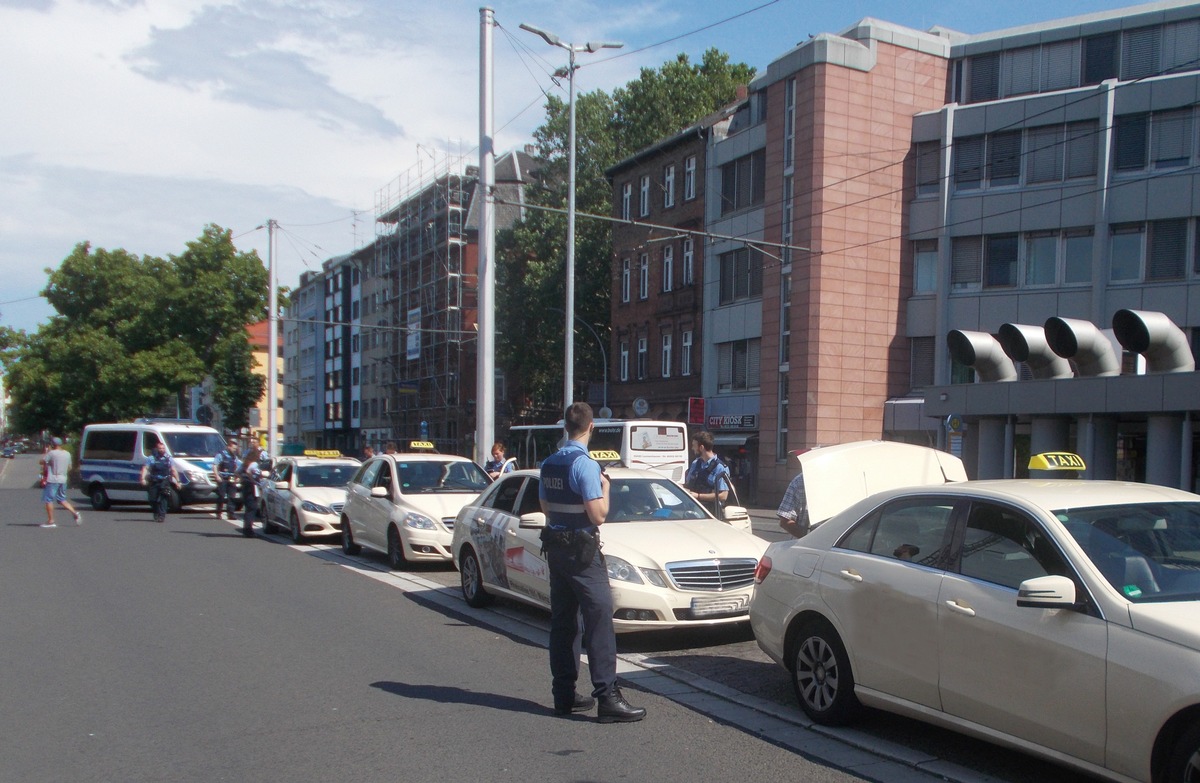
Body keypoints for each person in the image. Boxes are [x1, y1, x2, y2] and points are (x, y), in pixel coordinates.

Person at [539, 402, 645, 723]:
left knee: (564, 622)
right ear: (591, 426)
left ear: (565, 427)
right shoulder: (585, 465)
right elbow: (598, 514)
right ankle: (608, 697)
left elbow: (545, 505)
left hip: (556, 549)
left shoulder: (550, 462)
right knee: (599, 620)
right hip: (582, 552)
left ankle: (564, 694)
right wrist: (606, 488)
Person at [684, 430, 731, 517]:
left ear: (701, 447)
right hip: (692, 511)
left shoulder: (720, 467)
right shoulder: (695, 463)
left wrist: (698, 496)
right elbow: (688, 484)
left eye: (694, 445)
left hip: (710, 513)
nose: (692, 448)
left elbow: (723, 496)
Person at [41, 437, 81, 528]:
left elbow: (42, 461)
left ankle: (51, 521)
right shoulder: (67, 454)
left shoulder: (51, 453)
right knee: (62, 499)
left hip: (53, 479)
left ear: (52, 444)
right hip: (63, 479)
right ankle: (75, 513)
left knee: (48, 499)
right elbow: (70, 467)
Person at [141, 440, 179, 524]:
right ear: (157, 449)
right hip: (154, 481)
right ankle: (156, 512)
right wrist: (143, 478)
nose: (161, 450)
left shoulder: (168, 458)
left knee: (164, 499)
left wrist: (178, 481)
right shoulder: (151, 458)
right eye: (160, 448)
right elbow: (146, 468)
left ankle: (162, 515)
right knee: (152, 499)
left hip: (165, 481)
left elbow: (173, 470)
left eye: (163, 448)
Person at [238, 446, 264, 538]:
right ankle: (248, 530)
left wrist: (241, 480)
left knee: (248, 508)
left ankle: (246, 529)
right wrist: (252, 480)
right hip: (251, 487)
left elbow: (237, 472)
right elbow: (249, 471)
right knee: (252, 508)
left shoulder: (244, 463)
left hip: (245, 486)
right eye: (259, 454)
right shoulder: (254, 463)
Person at [214, 438, 241, 521]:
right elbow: (215, 465)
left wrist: (238, 477)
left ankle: (231, 514)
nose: (234, 450)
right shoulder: (221, 455)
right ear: (229, 447)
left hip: (232, 477)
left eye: (235, 449)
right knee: (221, 495)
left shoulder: (234, 457)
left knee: (231, 496)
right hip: (223, 477)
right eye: (233, 448)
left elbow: (238, 467)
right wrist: (217, 476)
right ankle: (219, 512)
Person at [777, 468, 810, 538]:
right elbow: (785, 521)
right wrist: (806, 539)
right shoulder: (799, 482)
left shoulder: (798, 481)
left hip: (804, 544)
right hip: (805, 544)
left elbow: (785, 521)